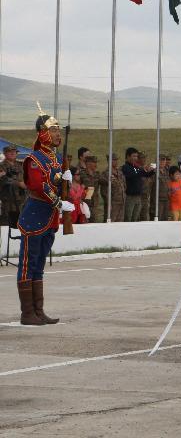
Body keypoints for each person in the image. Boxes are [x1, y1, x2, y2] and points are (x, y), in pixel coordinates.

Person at [15, 103, 75, 325]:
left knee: (39, 264)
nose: (58, 134)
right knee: (28, 263)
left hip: (49, 218)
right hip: (34, 216)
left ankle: (38, 310)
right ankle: (27, 313)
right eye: (54, 130)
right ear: (43, 133)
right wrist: (60, 203)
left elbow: (54, 182)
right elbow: (39, 186)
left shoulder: (57, 159)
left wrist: (65, 178)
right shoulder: (34, 159)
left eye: (58, 130)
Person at [122, 148, 154, 222]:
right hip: (130, 197)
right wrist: (143, 169)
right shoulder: (125, 167)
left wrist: (152, 171)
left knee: (135, 219)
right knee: (128, 218)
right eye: (134, 156)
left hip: (138, 196)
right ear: (128, 156)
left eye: (136, 156)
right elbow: (133, 175)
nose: (135, 158)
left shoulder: (135, 167)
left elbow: (144, 174)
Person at [0, 145, 27, 229]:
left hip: (21, 202)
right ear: (5, 153)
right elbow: (4, 180)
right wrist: (19, 184)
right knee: (6, 228)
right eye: (10, 151)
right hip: (8, 202)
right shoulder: (1, 166)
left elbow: (26, 180)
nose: (12, 153)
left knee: (21, 228)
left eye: (14, 152)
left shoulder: (20, 165)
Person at [80, 155, 104, 223]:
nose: (96, 164)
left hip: (94, 203)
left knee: (94, 222)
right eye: (94, 162)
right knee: (84, 221)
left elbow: (104, 181)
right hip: (84, 203)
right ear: (88, 163)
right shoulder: (82, 174)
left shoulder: (97, 174)